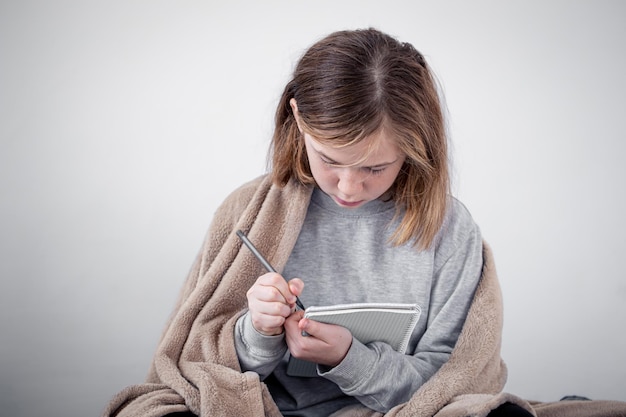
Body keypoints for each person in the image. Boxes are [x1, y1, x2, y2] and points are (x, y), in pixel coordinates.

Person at [103, 28, 548, 417]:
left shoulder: (448, 229)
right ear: (298, 120)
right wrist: (258, 331)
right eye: (330, 160)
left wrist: (350, 359)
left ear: (416, 147)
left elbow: (454, 383)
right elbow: (195, 365)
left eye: (375, 168)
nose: (349, 187)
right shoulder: (247, 212)